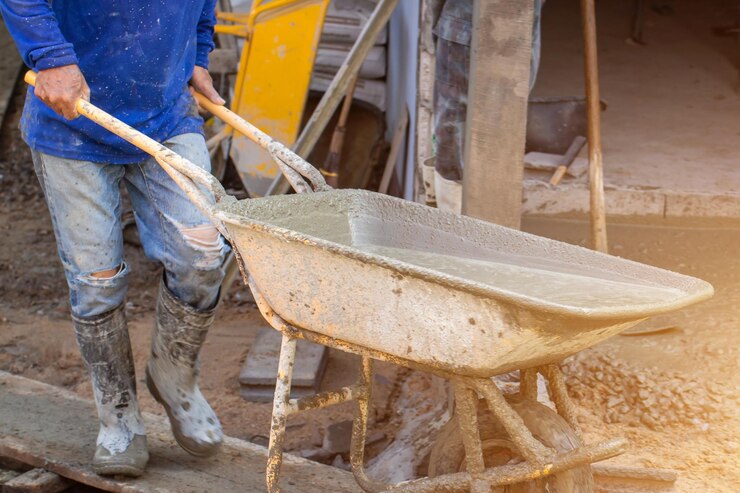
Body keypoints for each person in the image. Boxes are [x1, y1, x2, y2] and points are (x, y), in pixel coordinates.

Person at [0, 0, 228, 477]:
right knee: (97, 280)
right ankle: (118, 412)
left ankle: (174, 375)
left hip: (166, 113)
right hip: (73, 120)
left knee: (204, 253)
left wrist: (198, 56)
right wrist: (50, 56)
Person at [428, 0, 544, 212]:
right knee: (462, 131)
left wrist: (436, 23)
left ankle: (464, 221)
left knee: (458, 130)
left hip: (475, 29)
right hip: (484, 29)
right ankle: (456, 220)